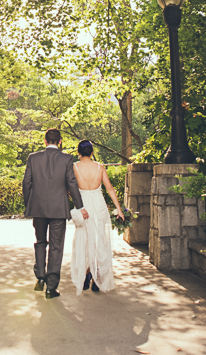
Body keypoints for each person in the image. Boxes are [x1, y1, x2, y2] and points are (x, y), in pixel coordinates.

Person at [22, 128, 88, 299]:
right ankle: (51, 287)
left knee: (40, 242)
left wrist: (28, 205)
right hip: (59, 208)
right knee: (56, 246)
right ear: (60, 142)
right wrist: (80, 207)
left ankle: (40, 277)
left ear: (45, 141)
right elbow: (71, 183)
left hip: (38, 208)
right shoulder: (67, 158)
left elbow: (26, 182)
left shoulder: (33, 158)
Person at [70, 139, 123, 294]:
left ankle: (86, 274)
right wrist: (119, 209)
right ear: (92, 152)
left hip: (83, 206)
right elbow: (110, 188)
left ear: (78, 153)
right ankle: (96, 278)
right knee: (99, 240)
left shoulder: (74, 167)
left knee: (84, 240)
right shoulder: (100, 167)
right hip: (98, 205)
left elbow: (70, 189)